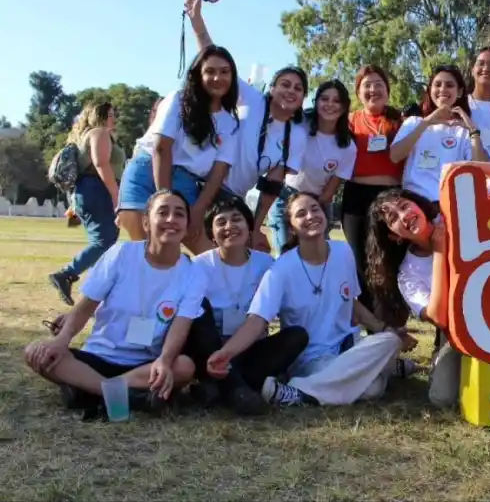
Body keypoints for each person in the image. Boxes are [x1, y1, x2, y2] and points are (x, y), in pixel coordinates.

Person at [24, 190, 204, 419]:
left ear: (187, 225)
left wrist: (165, 360)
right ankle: (122, 395)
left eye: (179, 214)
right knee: (34, 352)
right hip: (99, 357)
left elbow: (181, 324)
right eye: (163, 212)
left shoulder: (193, 273)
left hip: (145, 366)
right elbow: (87, 305)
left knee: (184, 367)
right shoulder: (121, 254)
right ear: (146, 222)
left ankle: (87, 389)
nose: (171, 219)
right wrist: (61, 340)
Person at [236, 192, 415, 406]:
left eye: (315, 209)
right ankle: (306, 389)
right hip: (312, 359)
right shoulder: (281, 269)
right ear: (291, 227)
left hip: (349, 346)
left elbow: (350, 303)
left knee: (389, 340)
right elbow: (257, 319)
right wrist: (227, 353)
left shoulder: (343, 252)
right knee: (372, 388)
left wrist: (383, 328)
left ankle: (300, 391)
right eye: (301, 214)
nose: (311, 216)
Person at [365, 166, 490, 407]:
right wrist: (439, 253)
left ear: (416, 204)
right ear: (394, 236)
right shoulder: (408, 273)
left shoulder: (453, 211)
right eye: (393, 218)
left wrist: (471, 167)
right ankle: (443, 360)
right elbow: (438, 317)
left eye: (404, 206)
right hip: (460, 328)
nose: (404, 216)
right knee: (442, 397)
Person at [186, 0, 308, 252]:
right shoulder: (251, 98)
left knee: (254, 252)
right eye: (284, 84)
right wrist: (197, 22)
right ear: (271, 88)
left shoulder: (295, 135)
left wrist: (256, 226)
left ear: (303, 98)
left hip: (232, 196)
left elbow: (272, 186)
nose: (290, 91)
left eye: (298, 88)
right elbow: (214, 60)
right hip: (201, 182)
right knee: (205, 251)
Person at [188, 198, 309, 415]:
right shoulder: (198, 266)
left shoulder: (267, 265)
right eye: (221, 222)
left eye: (237, 220)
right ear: (211, 233)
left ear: (249, 227)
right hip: (210, 351)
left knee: (297, 335)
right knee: (198, 307)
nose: (230, 227)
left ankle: (219, 388)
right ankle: (236, 390)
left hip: (249, 350)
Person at [118, 45, 241, 254]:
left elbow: (218, 173)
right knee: (148, 254)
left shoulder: (230, 122)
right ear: (197, 75)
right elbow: (161, 149)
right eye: (209, 71)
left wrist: (197, 210)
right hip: (148, 171)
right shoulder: (177, 99)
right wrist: (165, 201)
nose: (217, 78)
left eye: (224, 72)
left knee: (206, 253)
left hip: (186, 181)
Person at [49, 102, 126, 307]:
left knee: (103, 242)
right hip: (97, 189)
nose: (114, 119)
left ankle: (97, 289)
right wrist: (116, 195)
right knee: (104, 240)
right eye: (110, 115)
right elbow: (101, 165)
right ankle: (67, 274)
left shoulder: (87, 135)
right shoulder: (99, 133)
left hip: (88, 191)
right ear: (99, 117)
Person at [268, 80, 356, 254]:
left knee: (316, 259)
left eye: (336, 101)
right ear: (316, 103)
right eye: (324, 99)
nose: (330, 105)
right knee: (286, 257)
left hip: (317, 203)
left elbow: (331, 189)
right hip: (285, 197)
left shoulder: (348, 146)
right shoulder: (299, 125)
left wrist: (314, 210)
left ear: (345, 107)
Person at [343, 65, 404, 311]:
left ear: (388, 91)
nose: (373, 89)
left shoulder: (402, 121)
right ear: (358, 93)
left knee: (389, 261)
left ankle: (392, 319)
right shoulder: (349, 121)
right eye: (366, 85)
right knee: (360, 262)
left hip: (390, 197)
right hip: (356, 198)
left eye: (379, 84)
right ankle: (370, 323)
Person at [390, 66, 488, 202]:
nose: (442, 89)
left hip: (452, 205)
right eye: (437, 85)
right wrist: (427, 122)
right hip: (415, 203)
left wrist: (473, 130)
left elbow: (481, 169)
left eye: (449, 85)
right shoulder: (414, 122)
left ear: (459, 92)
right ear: (429, 90)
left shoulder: (464, 130)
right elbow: (395, 156)